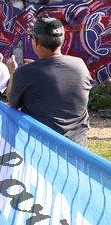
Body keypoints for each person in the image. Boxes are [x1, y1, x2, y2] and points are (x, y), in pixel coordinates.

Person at [6, 18, 92, 147]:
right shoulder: (80, 64)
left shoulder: (25, 72)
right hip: (77, 148)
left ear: (35, 40)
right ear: (62, 39)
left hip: (43, 149)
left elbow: (12, 102)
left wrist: (13, 72)